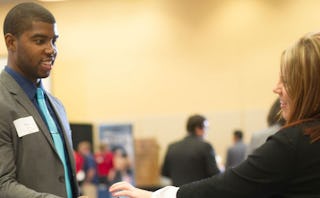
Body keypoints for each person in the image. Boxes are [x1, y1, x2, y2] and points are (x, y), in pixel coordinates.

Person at [109, 31, 320, 197]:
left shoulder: (294, 142)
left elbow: (225, 187)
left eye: (286, 80)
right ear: (201, 128)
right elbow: (219, 179)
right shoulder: (206, 147)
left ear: (306, 86)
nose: (276, 88)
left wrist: (154, 197)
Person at [0, 2, 79, 198]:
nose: (51, 50)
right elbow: (3, 186)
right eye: (39, 41)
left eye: (54, 41)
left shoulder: (57, 106)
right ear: (11, 42)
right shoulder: (2, 103)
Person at [161, 114, 220, 186]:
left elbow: (164, 172)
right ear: (198, 129)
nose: (206, 132)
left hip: (177, 193)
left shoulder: (172, 147)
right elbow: (215, 174)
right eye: (206, 128)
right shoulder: (205, 146)